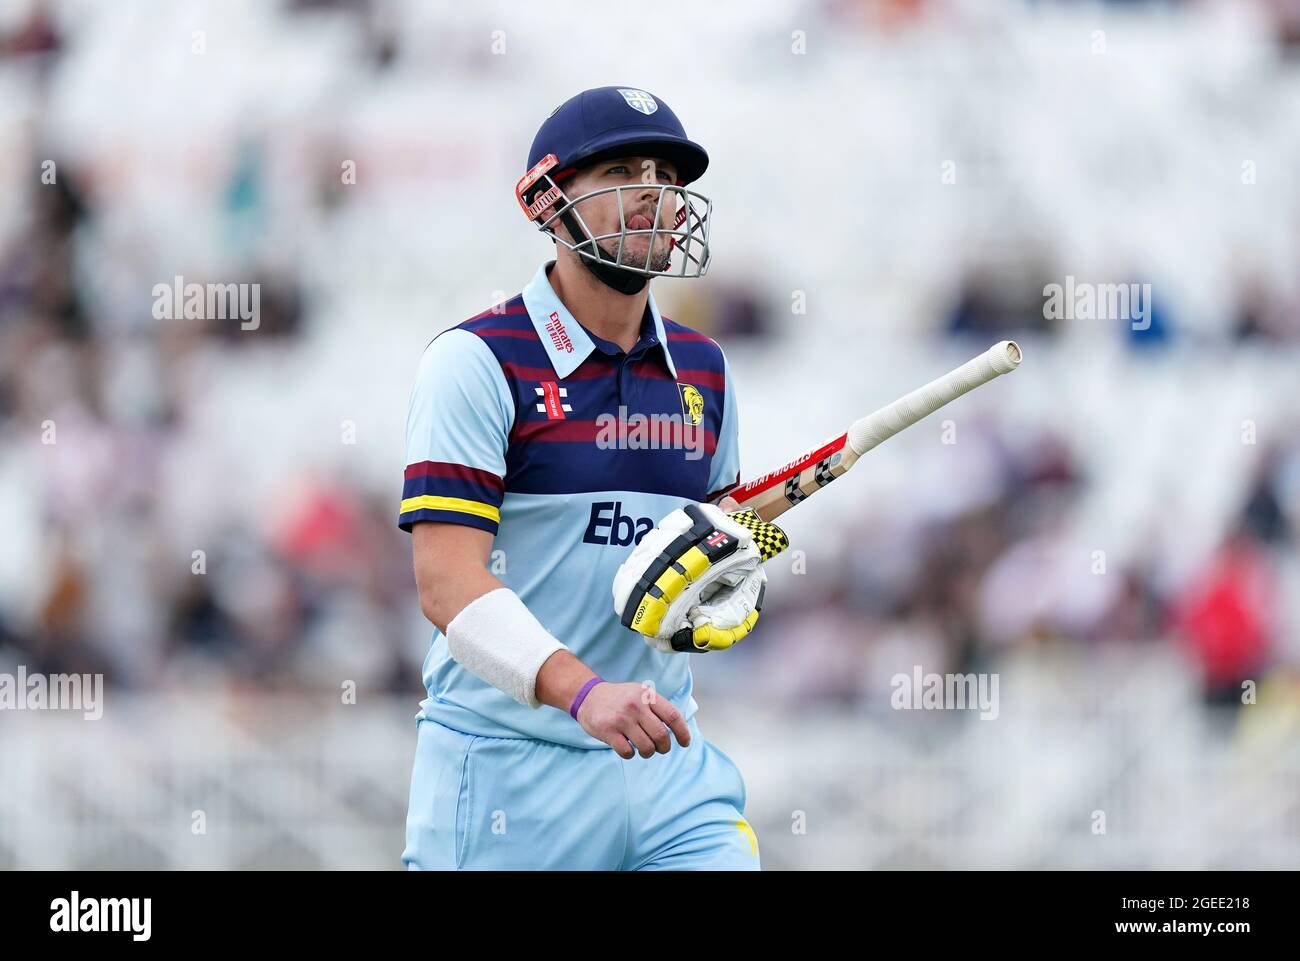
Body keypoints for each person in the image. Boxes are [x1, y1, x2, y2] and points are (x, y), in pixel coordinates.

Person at [399, 86, 762, 870]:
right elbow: (446, 582)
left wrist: (726, 598)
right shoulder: (477, 361)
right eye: (622, 170)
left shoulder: (706, 368)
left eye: (667, 175)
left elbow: (723, 545)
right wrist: (584, 690)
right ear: (546, 200)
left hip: (669, 768)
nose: (653, 193)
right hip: (507, 775)